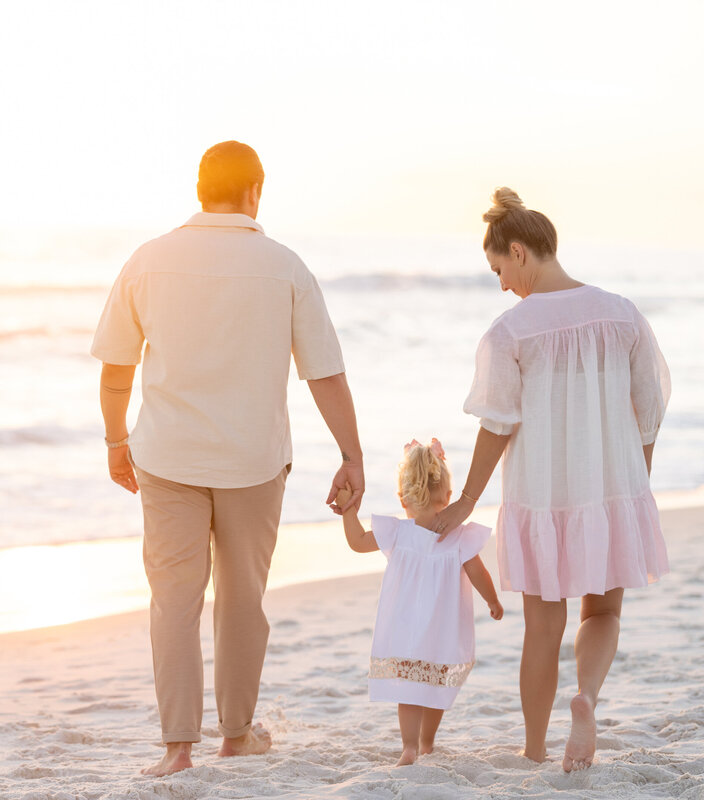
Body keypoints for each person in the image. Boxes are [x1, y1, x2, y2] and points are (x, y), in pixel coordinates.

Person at [91, 141, 364, 776]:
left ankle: (177, 748)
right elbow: (324, 373)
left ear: (199, 189)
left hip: (167, 456)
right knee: (243, 597)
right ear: (255, 192)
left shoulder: (148, 260)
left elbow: (116, 368)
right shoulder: (285, 266)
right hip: (254, 460)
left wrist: (114, 439)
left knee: (174, 600)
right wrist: (351, 455)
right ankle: (237, 735)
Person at [432, 188, 672, 771]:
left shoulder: (510, 332)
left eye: (498, 270)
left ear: (518, 252)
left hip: (542, 497)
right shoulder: (622, 312)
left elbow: (498, 423)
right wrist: (632, 481)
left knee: (542, 628)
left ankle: (535, 750)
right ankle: (584, 699)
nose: (501, 285)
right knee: (602, 614)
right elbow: (651, 404)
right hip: (610, 491)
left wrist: (465, 501)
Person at [338, 438, 503, 766]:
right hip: (443, 632)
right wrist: (493, 601)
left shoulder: (397, 532)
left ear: (402, 498)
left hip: (404, 629)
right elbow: (479, 572)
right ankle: (427, 742)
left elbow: (357, 542)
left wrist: (348, 509)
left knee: (409, 689)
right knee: (436, 683)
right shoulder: (458, 536)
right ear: (448, 495)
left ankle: (410, 747)